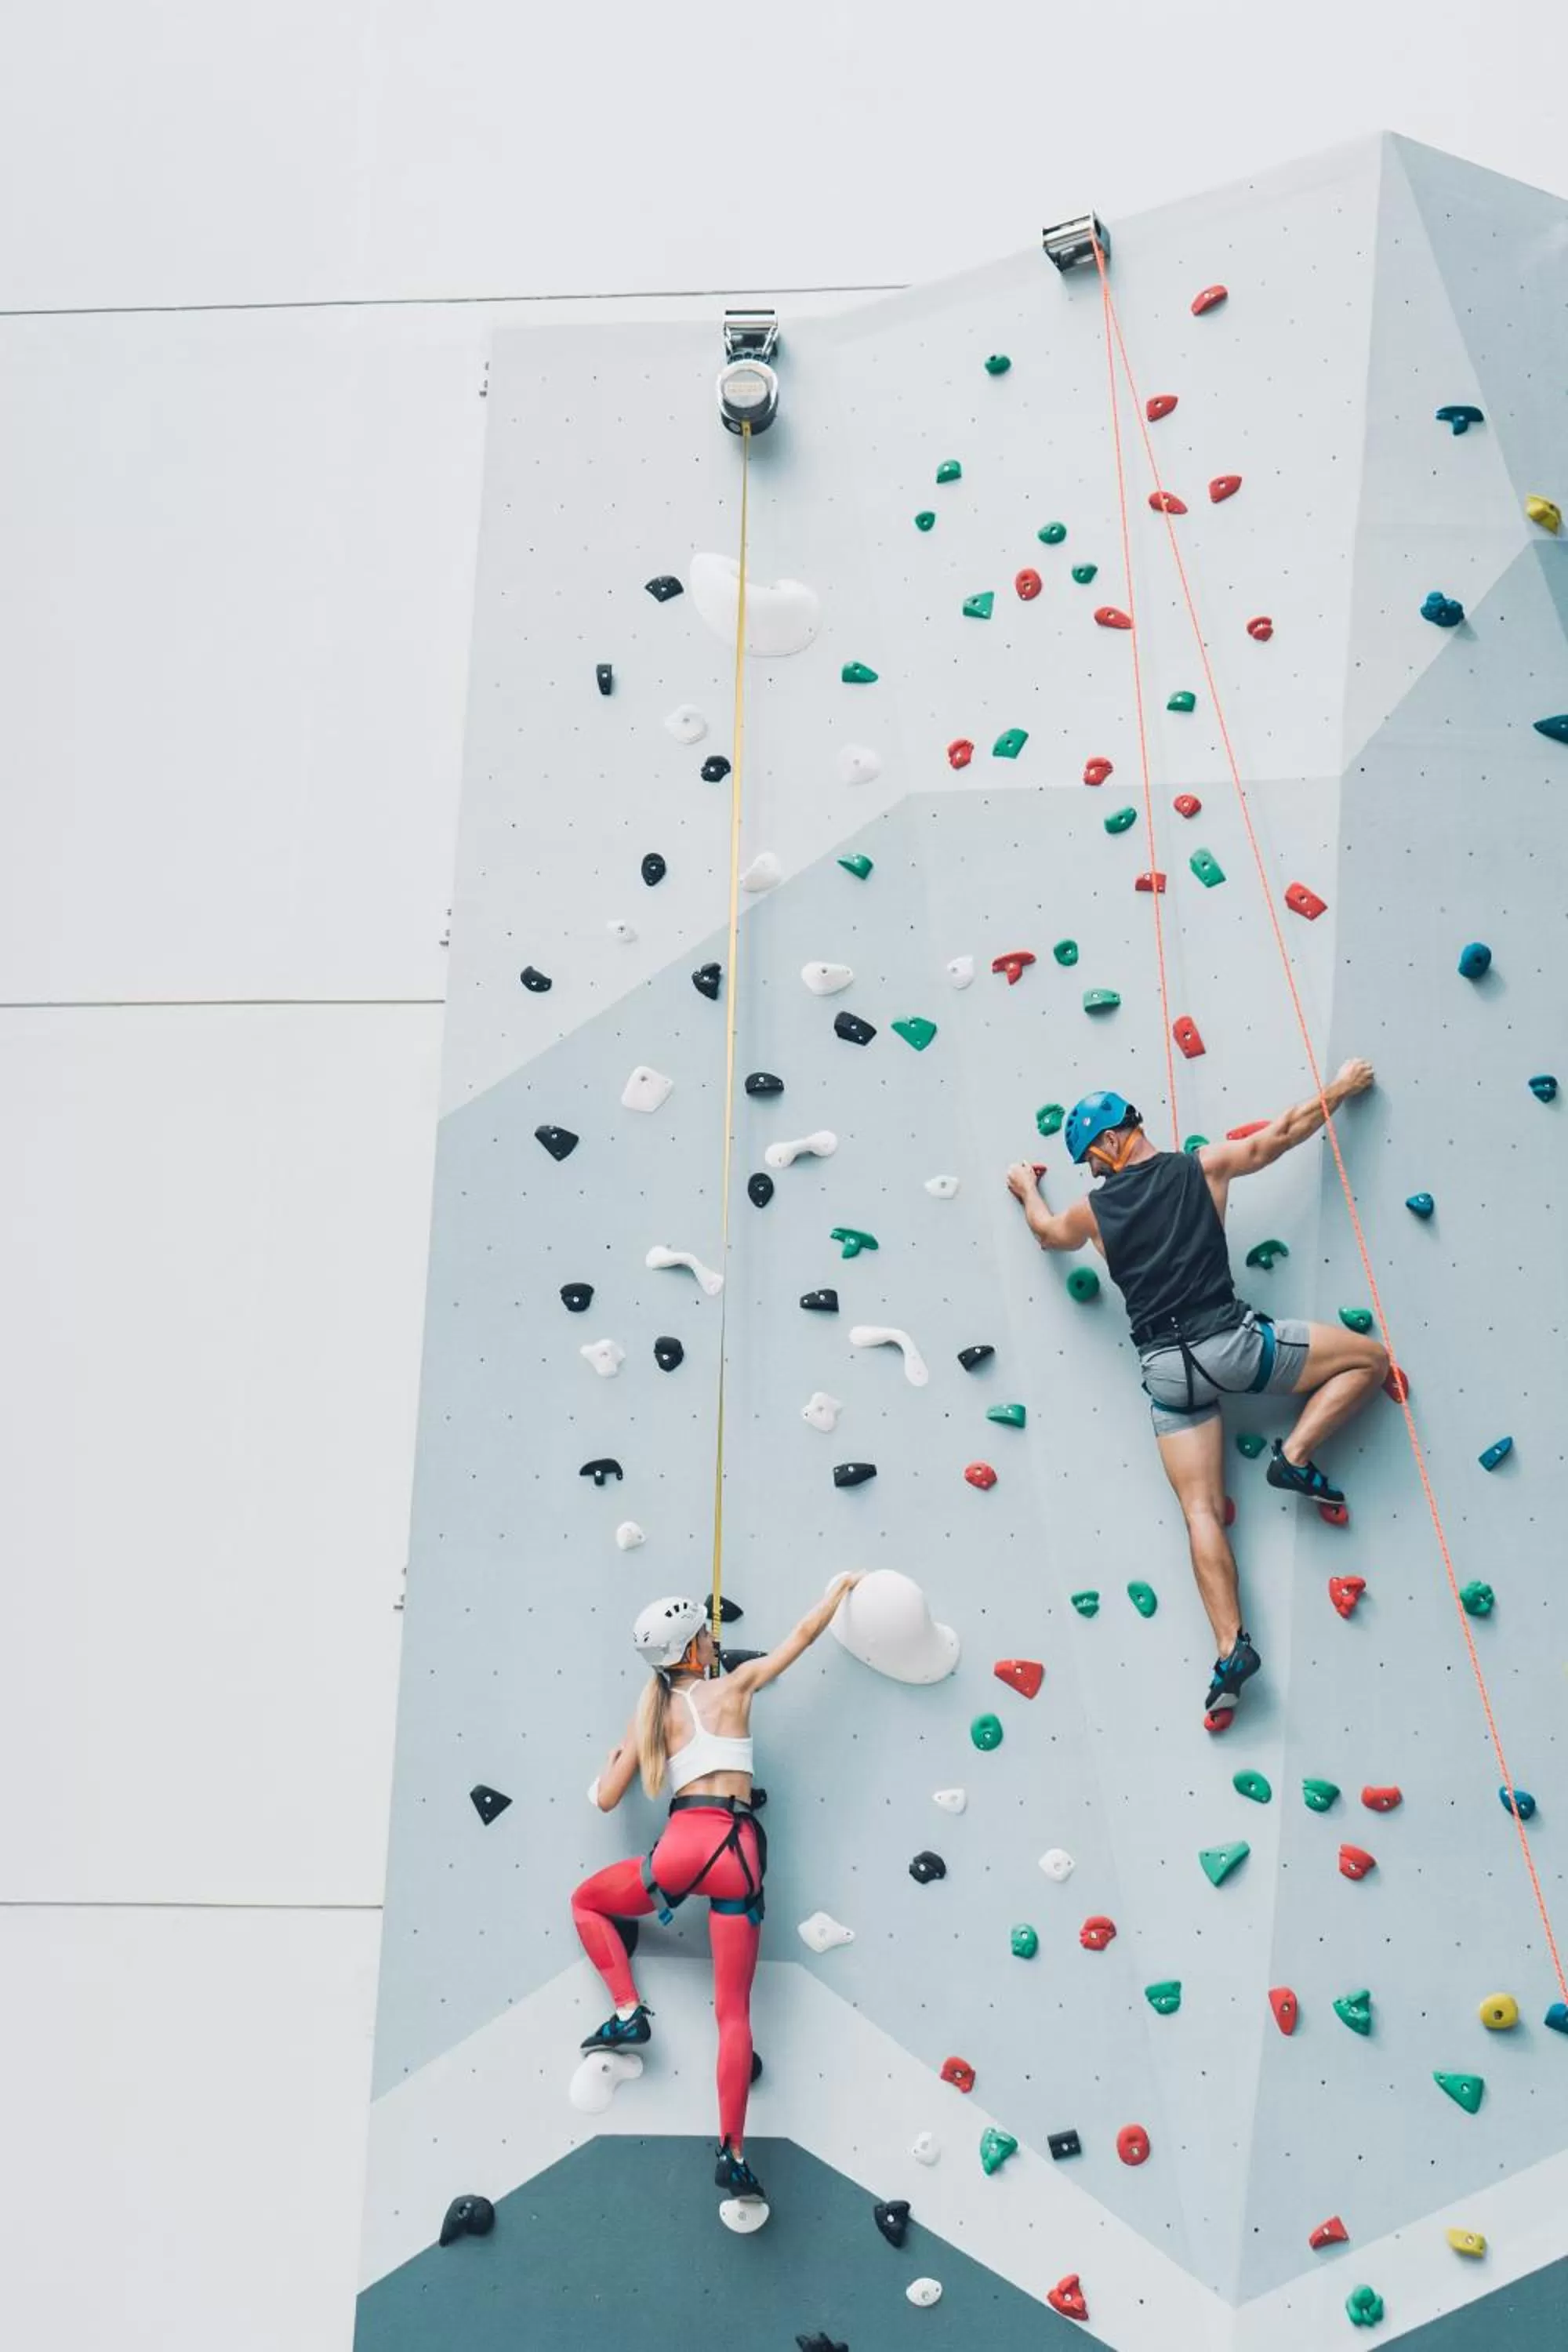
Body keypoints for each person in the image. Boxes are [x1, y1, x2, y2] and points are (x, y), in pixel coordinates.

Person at [1005, 1062, 1386, 1726]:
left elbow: (1045, 1235)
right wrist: (1343, 1089)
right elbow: (1285, 1133)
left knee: (1201, 1513)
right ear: (1128, 1124)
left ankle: (1229, 1651)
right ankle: (1294, 1453)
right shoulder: (1202, 1167)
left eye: (1091, 1161)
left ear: (1105, 1144)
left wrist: (1024, 1190)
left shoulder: (1091, 1213)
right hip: (1231, 1346)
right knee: (1370, 1360)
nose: (1095, 1174)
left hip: (1166, 1374)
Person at [572, 1574, 862, 2207]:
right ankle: (731, 2151)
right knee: (733, 2014)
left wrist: (616, 1754)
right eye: (706, 1632)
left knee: (587, 1901)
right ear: (696, 1648)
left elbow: (603, 1798)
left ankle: (627, 2013)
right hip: (738, 1854)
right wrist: (838, 1590)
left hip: (682, 1845)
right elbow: (799, 1640)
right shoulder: (736, 1686)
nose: (712, 1638)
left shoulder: (651, 1713)